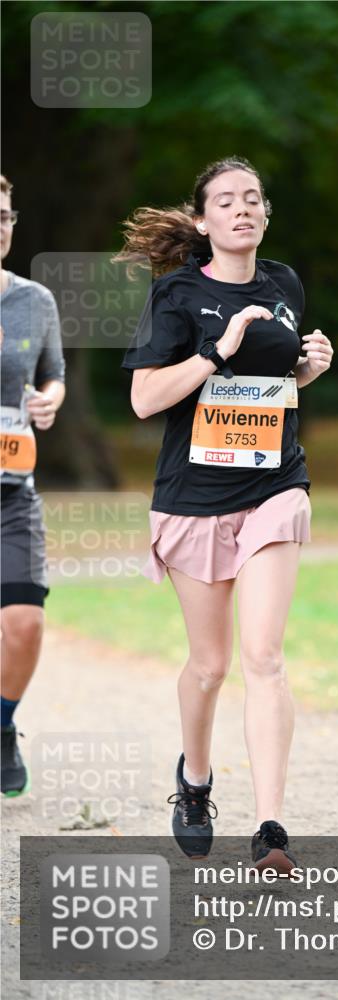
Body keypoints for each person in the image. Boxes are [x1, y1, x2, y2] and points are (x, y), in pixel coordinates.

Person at [116, 156, 333, 867]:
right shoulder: (176, 294)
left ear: (265, 215)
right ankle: (196, 779)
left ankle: (271, 827)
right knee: (209, 667)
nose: (242, 209)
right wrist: (217, 350)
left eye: (253, 199)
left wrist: (307, 367)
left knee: (262, 657)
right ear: (204, 220)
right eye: (226, 201)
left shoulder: (284, 283)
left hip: (273, 485)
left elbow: (275, 386)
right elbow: (145, 400)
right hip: (194, 497)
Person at [0, 173, 66, 795]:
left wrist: (48, 402)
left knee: (24, 622)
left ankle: (1, 726)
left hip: (11, 488)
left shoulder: (34, 300)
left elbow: (54, 376)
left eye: (3, 216)